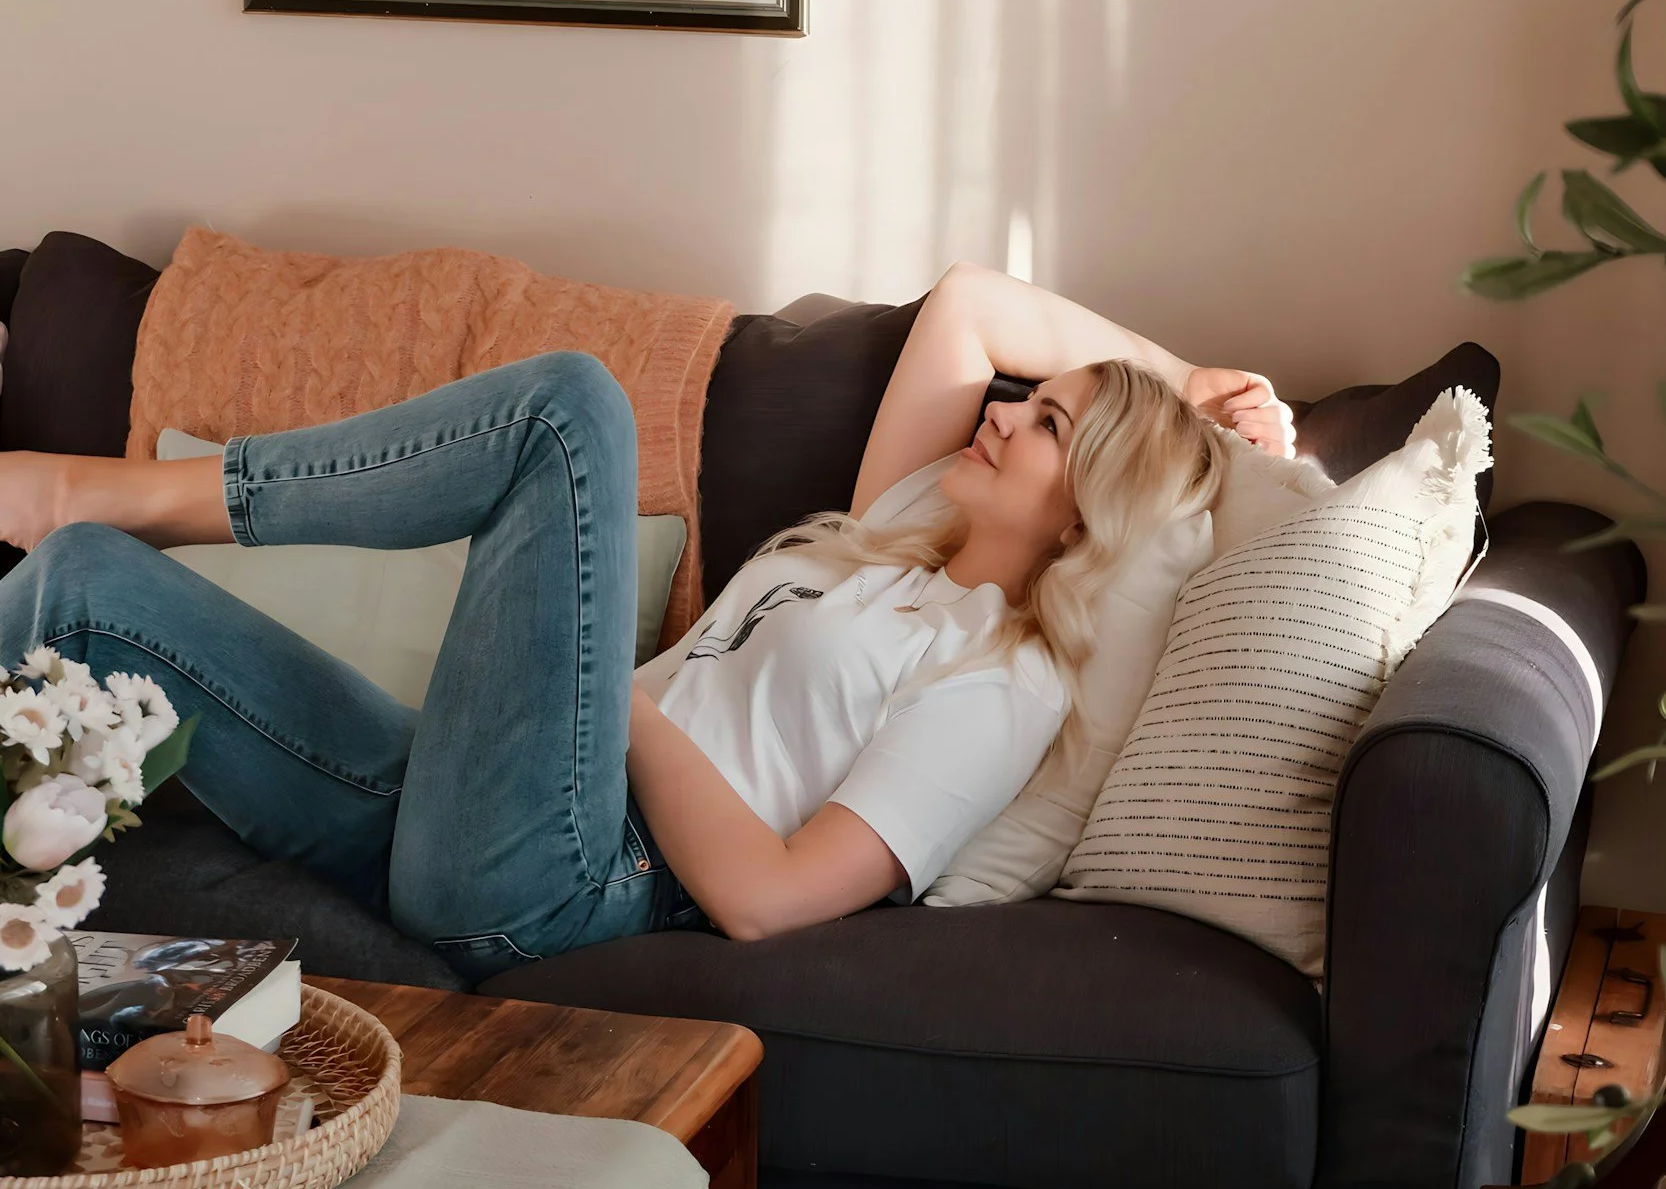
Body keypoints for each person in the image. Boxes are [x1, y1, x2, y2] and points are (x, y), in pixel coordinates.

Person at [0, 264, 1293, 979]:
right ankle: (94, 515)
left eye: (1048, 423)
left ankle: (132, 488)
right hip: (479, 786)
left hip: (569, 874)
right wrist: (1184, 377)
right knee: (83, 588)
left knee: (571, 409)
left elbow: (771, 904)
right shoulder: (901, 523)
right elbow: (967, 306)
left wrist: (608, 702)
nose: (1000, 409)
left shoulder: (997, 685)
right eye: (1025, 397)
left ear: (1085, 516)